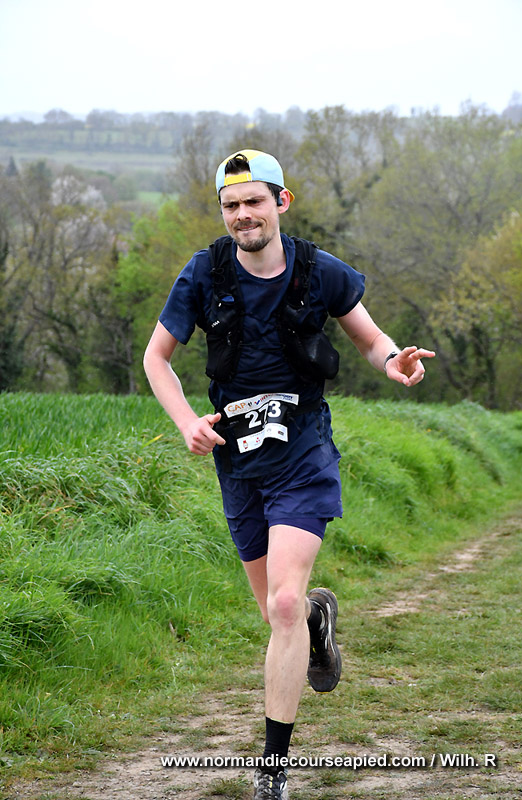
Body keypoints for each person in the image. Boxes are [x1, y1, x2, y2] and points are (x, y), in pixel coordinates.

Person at [143, 149, 435, 799]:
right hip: (238, 461)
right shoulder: (204, 273)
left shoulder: (318, 271)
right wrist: (186, 420)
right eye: (231, 205)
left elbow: (370, 340)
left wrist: (395, 361)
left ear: (282, 202)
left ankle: (272, 771)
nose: (242, 215)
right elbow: (155, 358)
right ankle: (315, 621)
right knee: (279, 613)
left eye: (254, 201)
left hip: (303, 452)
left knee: (281, 604)